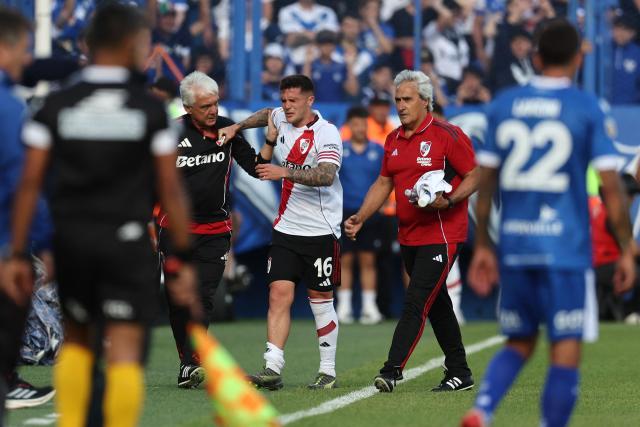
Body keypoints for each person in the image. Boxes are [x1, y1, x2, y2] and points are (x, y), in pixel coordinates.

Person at [4, 4, 198, 427]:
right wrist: (180, 260)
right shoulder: (149, 110)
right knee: (125, 350)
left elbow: (29, 185)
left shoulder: (55, 104)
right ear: (132, 45)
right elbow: (171, 191)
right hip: (126, 245)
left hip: (72, 243)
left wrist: (19, 253)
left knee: (77, 343)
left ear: (88, 45)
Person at [461, 19, 636, 427]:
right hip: (567, 252)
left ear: (535, 58)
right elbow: (612, 189)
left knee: (519, 341)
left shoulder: (502, 104)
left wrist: (484, 245)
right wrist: (627, 249)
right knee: (565, 349)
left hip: (517, 247)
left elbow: (485, 184)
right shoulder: (585, 107)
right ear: (578, 58)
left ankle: (483, 409)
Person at [345, 69, 478, 393]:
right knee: (437, 304)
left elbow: (475, 175)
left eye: (407, 99)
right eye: (397, 100)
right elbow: (383, 183)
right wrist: (361, 216)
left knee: (416, 300)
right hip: (409, 233)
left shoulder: (448, 134)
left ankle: (391, 370)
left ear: (426, 101)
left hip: (442, 233)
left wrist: (449, 201)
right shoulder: (393, 139)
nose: (400, 106)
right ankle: (459, 371)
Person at [218, 74, 343, 390]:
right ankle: (272, 367)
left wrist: (283, 171)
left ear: (309, 101)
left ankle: (327, 370)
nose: (286, 107)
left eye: (293, 101)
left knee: (320, 299)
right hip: (286, 228)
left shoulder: (327, 133)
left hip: (321, 230)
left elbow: (326, 175)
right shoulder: (281, 118)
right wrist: (237, 127)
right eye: (284, 100)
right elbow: (265, 114)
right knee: (278, 294)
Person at [156, 70, 274, 388]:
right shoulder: (169, 133)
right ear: (187, 107)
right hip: (176, 229)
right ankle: (189, 361)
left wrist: (270, 141)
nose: (213, 111)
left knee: (204, 297)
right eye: (205, 106)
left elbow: (256, 168)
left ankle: (189, 364)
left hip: (215, 229)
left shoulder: (227, 129)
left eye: (215, 103)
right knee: (178, 299)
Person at [0, 7, 56, 420]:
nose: (26, 59)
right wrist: (36, 246)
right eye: (22, 48)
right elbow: (24, 185)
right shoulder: (7, 107)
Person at [338, 106, 384, 325]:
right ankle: (344, 308)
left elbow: (385, 183)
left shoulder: (378, 150)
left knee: (368, 260)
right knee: (345, 260)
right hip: (344, 212)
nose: (360, 128)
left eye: (364, 124)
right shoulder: (339, 150)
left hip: (370, 214)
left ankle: (368, 307)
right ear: (349, 126)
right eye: (356, 124)